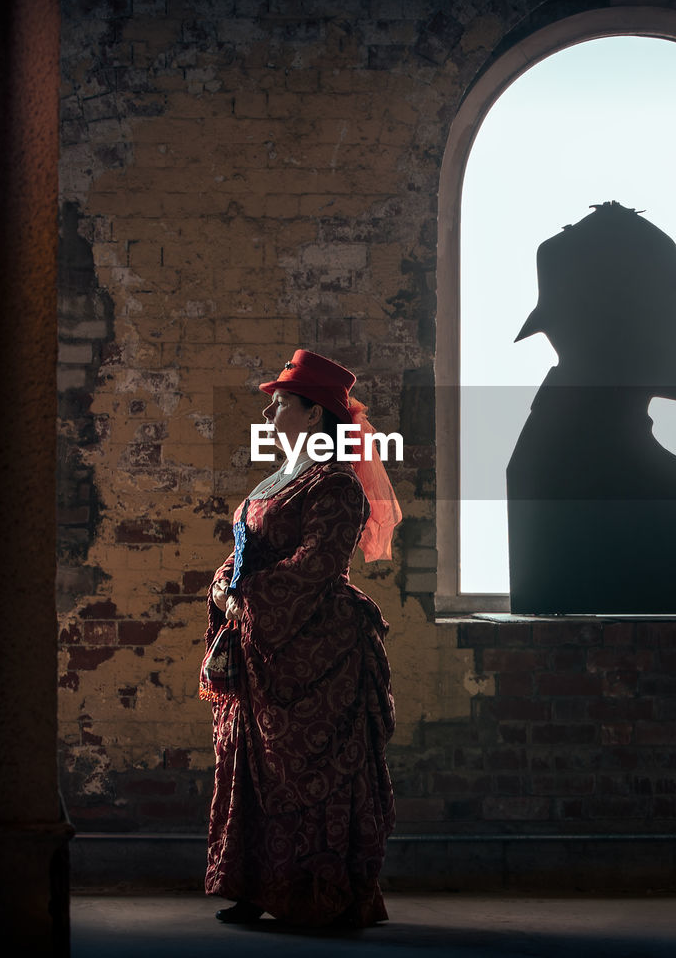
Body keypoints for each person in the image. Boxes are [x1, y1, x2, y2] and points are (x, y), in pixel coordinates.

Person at [506, 201, 676, 614]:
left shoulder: (581, 428)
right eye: (671, 306)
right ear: (617, 324)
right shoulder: (581, 440)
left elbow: (653, 507)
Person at [202, 349, 401, 927]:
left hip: (317, 647)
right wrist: (223, 586)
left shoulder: (336, 485)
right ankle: (258, 887)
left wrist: (246, 598)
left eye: (281, 402)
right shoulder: (278, 477)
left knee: (306, 766)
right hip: (264, 643)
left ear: (314, 415)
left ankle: (316, 896)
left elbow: (317, 563)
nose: (269, 414)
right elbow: (246, 551)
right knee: (252, 759)